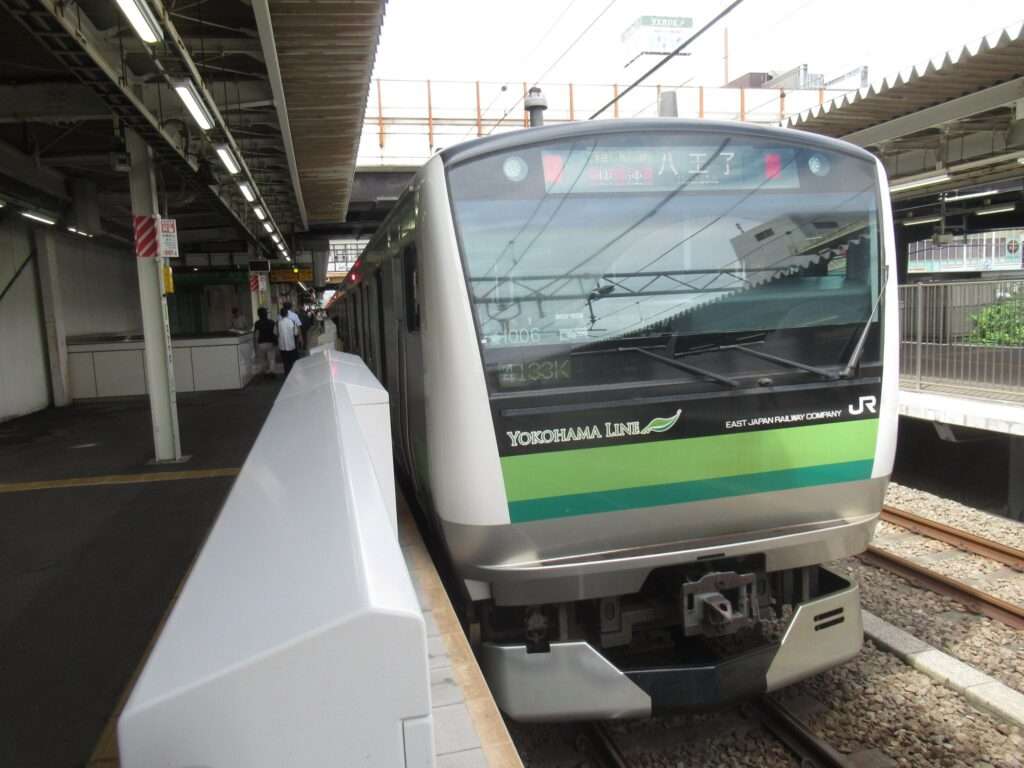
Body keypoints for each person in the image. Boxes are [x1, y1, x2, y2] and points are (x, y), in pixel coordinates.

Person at [252, 307, 277, 377]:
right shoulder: (272, 322)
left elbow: (256, 335)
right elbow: (275, 333)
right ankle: (271, 372)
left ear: (258, 315)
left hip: (261, 344)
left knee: (262, 359)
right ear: (266, 314)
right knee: (271, 359)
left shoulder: (257, 323)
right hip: (270, 343)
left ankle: (264, 372)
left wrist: (255, 345)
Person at [276, 307, 299, 375]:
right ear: (287, 314)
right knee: (292, 361)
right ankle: (293, 374)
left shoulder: (278, 323)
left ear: (281, 314)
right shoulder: (292, 322)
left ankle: (286, 374)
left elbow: (276, 333)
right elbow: (296, 333)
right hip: (291, 345)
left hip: (282, 346)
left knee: (285, 362)